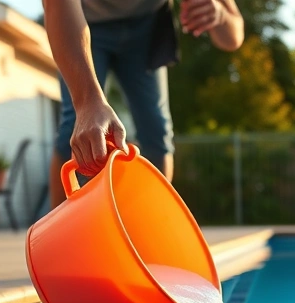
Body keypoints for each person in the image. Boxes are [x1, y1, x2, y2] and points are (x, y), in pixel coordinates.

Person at [43, 0, 244, 208]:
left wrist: (219, 14)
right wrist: (87, 104)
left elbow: (232, 37)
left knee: (157, 134)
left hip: (147, 27)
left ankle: (144, 227)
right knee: (75, 128)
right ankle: (60, 235)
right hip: (80, 20)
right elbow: (56, 4)